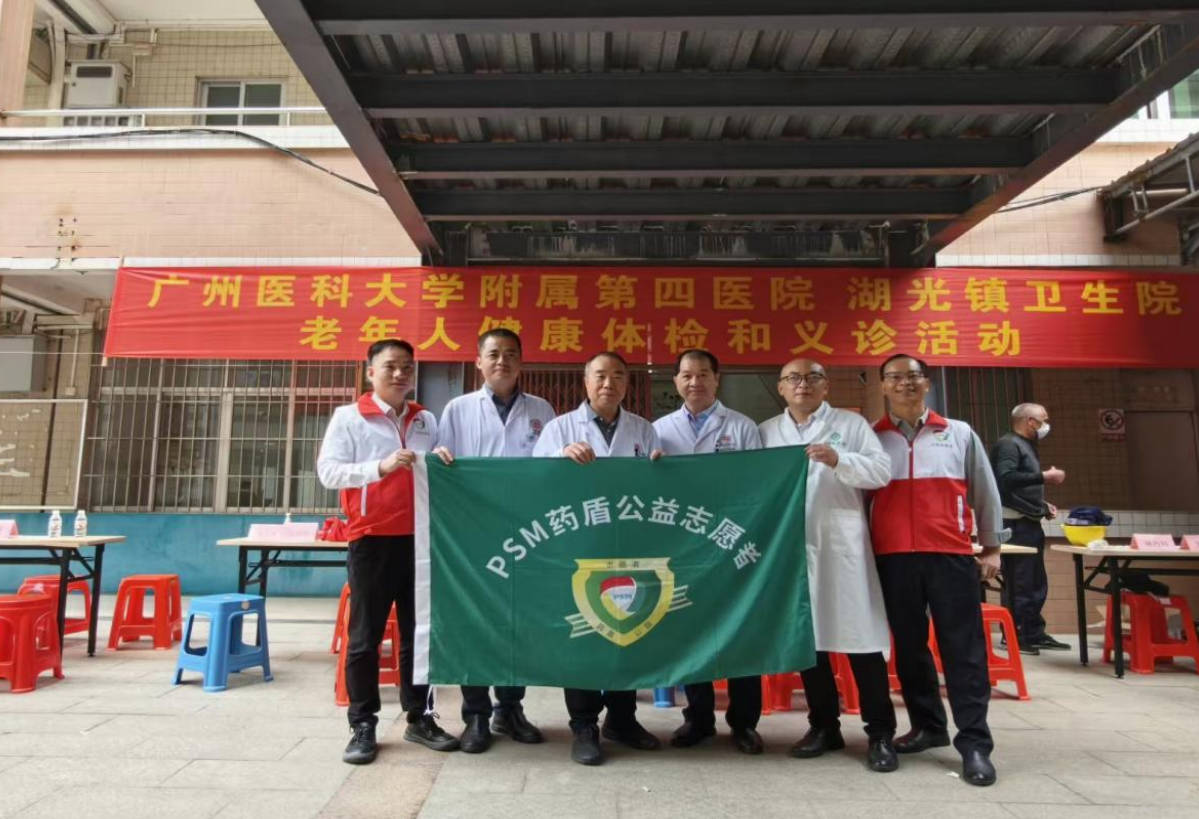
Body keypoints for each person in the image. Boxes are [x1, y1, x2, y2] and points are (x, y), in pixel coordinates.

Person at [317, 339, 457, 765]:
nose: (400, 374)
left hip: (421, 540)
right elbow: (328, 473)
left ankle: (421, 717)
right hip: (371, 539)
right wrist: (381, 467)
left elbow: (437, 467)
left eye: (407, 367)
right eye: (391, 366)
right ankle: (362, 724)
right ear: (370, 372)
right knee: (365, 638)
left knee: (420, 634)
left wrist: (442, 458)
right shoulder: (349, 418)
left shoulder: (426, 419)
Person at [870, 353, 1007, 787]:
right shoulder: (872, 437)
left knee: (962, 650)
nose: (904, 384)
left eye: (913, 376)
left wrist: (992, 547)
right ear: (883, 386)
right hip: (892, 557)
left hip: (950, 554)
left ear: (926, 383)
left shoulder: (958, 433)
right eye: (895, 377)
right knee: (909, 648)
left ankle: (975, 744)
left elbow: (984, 490)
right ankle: (928, 725)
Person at [759, 358, 898, 772]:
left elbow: (882, 472)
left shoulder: (851, 426)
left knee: (861, 639)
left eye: (812, 378)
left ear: (825, 386)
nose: (802, 385)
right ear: (781, 387)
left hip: (841, 547)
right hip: (790, 549)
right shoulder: (767, 431)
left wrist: (839, 460)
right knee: (810, 641)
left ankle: (880, 733)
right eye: (793, 378)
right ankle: (824, 726)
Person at [532, 351, 664, 766]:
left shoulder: (644, 429)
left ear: (627, 384)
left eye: (618, 376)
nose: (609, 384)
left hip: (630, 546)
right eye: (601, 376)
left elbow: (659, 491)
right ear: (586, 382)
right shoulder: (560, 428)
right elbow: (532, 481)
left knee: (628, 628)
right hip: (580, 546)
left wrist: (660, 469)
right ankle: (584, 724)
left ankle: (622, 719)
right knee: (584, 633)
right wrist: (561, 457)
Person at [437, 328, 556, 752]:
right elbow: (442, 466)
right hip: (472, 534)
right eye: (493, 354)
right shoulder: (457, 409)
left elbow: (551, 471)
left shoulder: (542, 410)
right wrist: (438, 460)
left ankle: (510, 709)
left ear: (521, 362)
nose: (501, 361)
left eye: (510, 354)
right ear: (479, 362)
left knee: (517, 623)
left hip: (527, 535)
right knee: (473, 621)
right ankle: (476, 715)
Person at [652, 349, 765, 755]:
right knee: (691, 631)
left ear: (718, 379)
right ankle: (698, 719)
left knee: (742, 631)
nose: (695, 382)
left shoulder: (743, 427)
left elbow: (759, 484)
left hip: (733, 543)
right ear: (676, 381)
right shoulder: (659, 430)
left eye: (703, 374)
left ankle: (744, 723)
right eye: (686, 375)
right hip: (684, 547)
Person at [990, 403, 1068, 655]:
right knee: (1021, 582)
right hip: (1014, 524)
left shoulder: (1025, 445)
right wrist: (1044, 477)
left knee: (1035, 582)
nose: (1047, 425)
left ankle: (1034, 631)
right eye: (1044, 419)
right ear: (1030, 421)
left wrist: (1041, 506)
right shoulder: (1008, 445)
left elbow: (1018, 489)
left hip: (1028, 521)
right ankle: (1017, 634)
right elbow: (1005, 479)